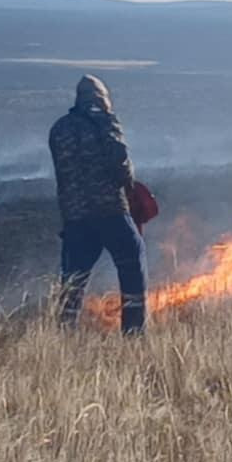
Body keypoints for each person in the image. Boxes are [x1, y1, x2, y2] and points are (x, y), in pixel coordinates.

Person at [48, 75, 146, 334]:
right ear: (102, 98)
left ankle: (64, 333)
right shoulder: (105, 123)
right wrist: (130, 186)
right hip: (110, 211)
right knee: (132, 261)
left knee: (73, 279)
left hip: (75, 216)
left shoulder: (59, 128)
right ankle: (134, 332)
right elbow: (121, 165)